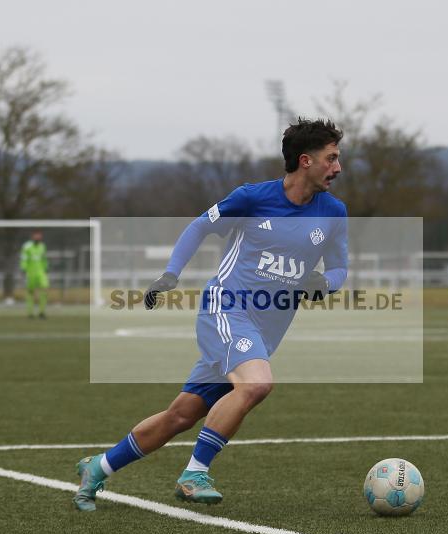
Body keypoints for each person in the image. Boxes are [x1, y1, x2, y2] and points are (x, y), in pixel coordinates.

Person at [74, 118, 348, 511]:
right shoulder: (253, 198)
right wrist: (171, 274)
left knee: (181, 415)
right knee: (256, 385)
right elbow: (200, 226)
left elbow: (340, 267)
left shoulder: (334, 212)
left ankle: (98, 467)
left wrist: (326, 284)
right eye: (332, 158)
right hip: (226, 308)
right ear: (306, 161)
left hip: (266, 331)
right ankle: (194, 474)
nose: (338, 168)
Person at [20, 231, 49, 319]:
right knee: (31, 292)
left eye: (39, 236)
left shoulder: (42, 246)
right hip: (30, 272)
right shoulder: (27, 247)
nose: (38, 237)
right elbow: (23, 259)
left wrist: (46, 267)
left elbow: (44, 259)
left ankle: (42, 312)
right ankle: (30, 313)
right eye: (36, 236)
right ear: (32, 236)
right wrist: (23, 268)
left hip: (41, 272)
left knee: (44, 289)